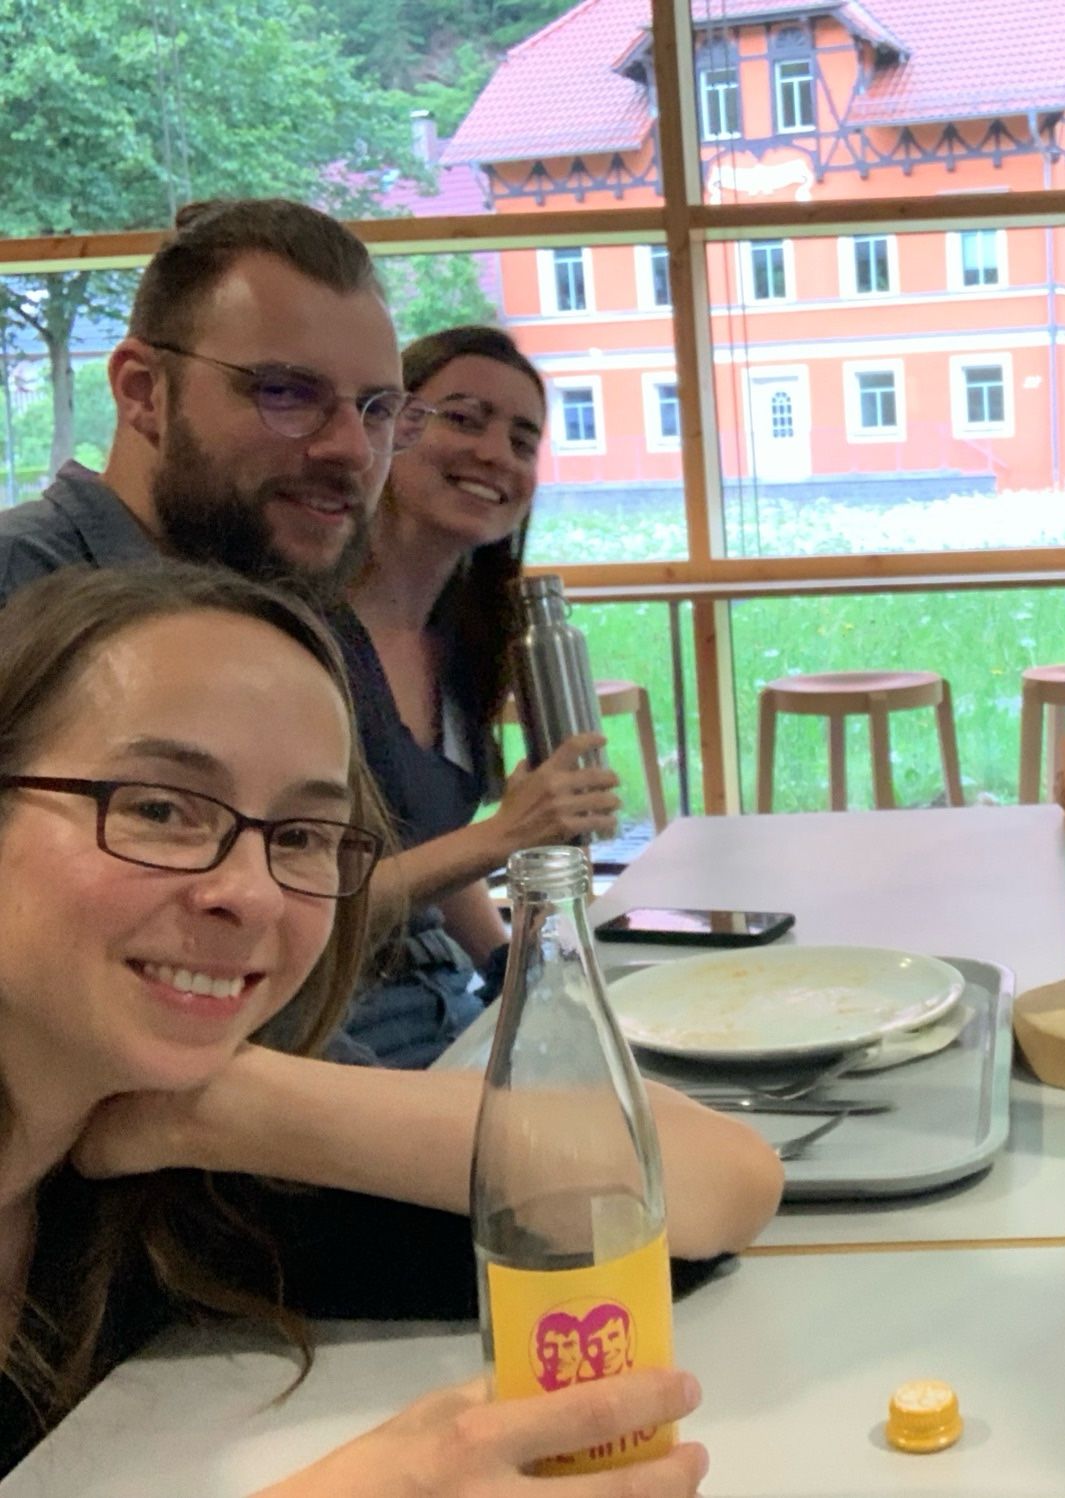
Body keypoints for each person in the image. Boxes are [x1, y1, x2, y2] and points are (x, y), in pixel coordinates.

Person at [0, 562, 782, 1487]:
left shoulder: (152, 1175)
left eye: (300, 835)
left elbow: (715, 1183)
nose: (248, 894)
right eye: (159, 808)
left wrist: (212, 1105)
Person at [333, 325, 618, 1067]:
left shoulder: (459, 643)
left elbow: (428, 848)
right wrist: (504, 835)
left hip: (437, 1004)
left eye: (524, 441)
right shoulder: (304, 639)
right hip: (334, 1033)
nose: (496, 454)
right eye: (464, 418)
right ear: (389, 427)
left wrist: (517, 972)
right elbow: (307, 909)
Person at [0, 197, 407, 606]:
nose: (355, 450)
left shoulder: (291, 606)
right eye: (285, 392)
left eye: (379, 409)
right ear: (142, 392)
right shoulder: (18, 599)